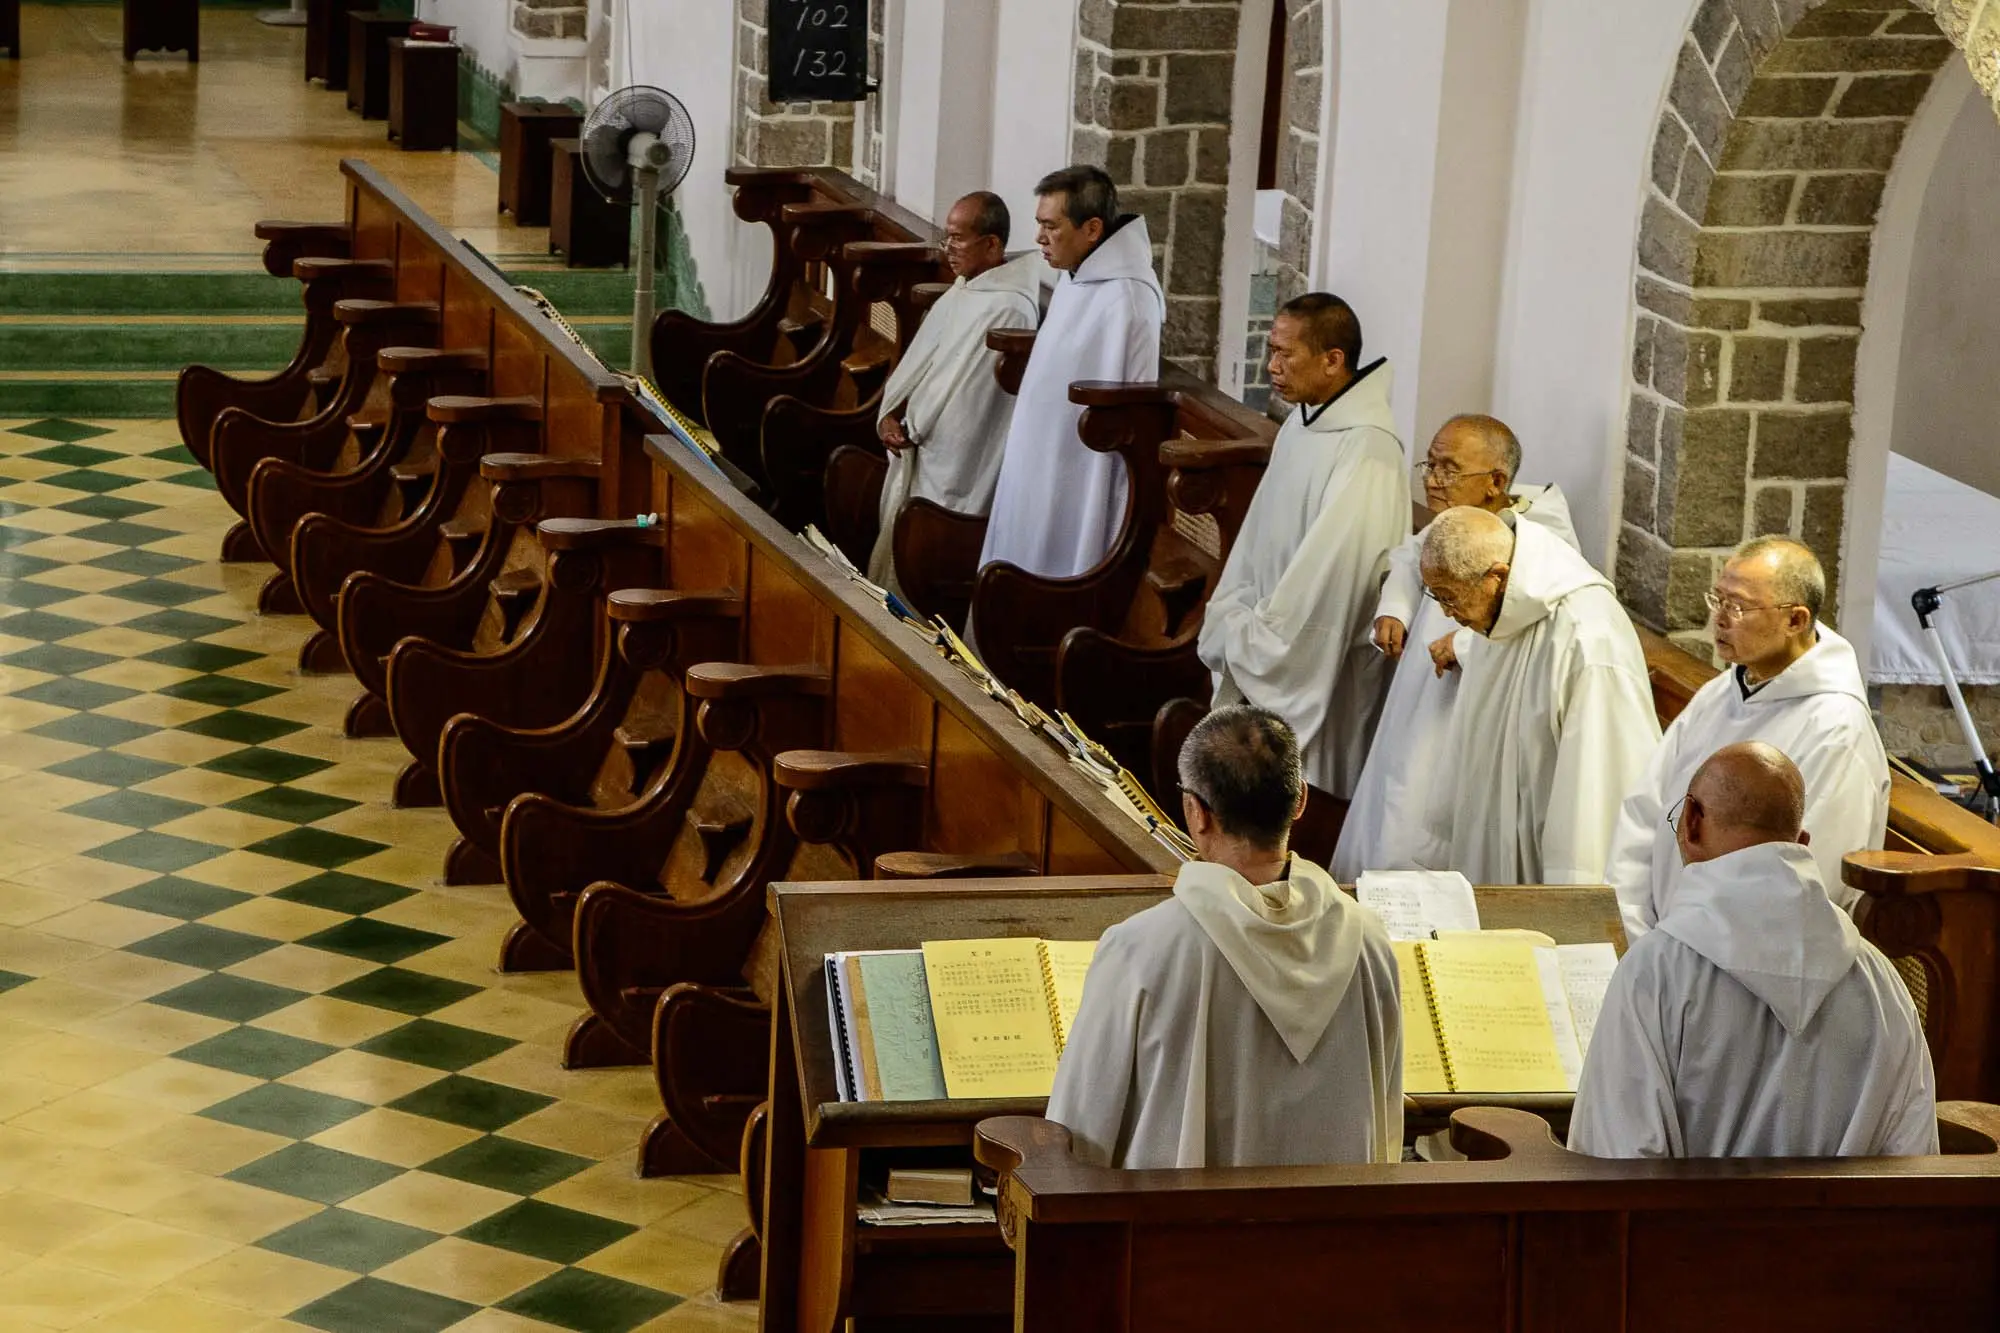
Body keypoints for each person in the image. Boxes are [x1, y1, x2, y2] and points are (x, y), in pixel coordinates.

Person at [1047, 706, 1403, 1169]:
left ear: (1196, 813)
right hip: (1334, 1237)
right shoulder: (1369, 943)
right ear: (1300, 800)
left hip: (1184, 1237)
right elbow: (1387, 1120)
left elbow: (1076, 1141)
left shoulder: (1141, 949)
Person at [1568, 742, 1936, 1159]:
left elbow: (1612, 1167)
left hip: (1689, 1227)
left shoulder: (1655, 972)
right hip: (1849, 1226)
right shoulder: (1880, 983)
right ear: (1801, 842)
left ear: (1690, 822)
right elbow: (1914, 1156)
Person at [1604, 537, 1888, 937]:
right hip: (1658, 949)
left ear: (1795, 620)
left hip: (1740, 969)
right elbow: (1645, 814)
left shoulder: (1836, 730)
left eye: (1738, 606)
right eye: (1717, 599)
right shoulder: (1720, 693)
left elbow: (1807, 879)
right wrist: (1635, 936)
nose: (1719, 618)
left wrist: (1689, 959)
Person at [1331, 415, 1576, 878]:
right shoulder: (1456, 522)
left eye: (1448, 469)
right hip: (1416, 692)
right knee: (1394, 788)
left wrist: (1466, 642)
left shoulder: (1538, 545)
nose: (1433, 480)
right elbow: (1411, 554)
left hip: (1464, 701)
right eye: (1429, 465)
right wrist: (1396, 608)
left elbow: (1536, 615)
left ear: (1496, 481)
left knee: (1423, 807)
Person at [1194, 294, 1408, 798]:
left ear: (1333, 360)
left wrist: (1255, 640)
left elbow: (1331, 578)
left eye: (1285, 354)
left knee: (1296, 802)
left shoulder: (1368, 448)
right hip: (1268, 627)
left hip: (1318, 668)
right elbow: (1257, 539)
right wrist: (1233, 612)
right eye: (1271, 350)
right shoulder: (1302, 421)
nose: (1272, 366)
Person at [1416, 507, 1659, 883]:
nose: (1449, 614)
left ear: (1497, 577)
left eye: (1450, 598)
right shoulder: (1500, 616)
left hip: (1540, 865)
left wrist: (1574, 903)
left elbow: (1597, 792)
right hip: (1493, 838)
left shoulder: (1588, 640)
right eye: (1438, 598)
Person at [976, 166, 1164, 580]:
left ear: (1092, 228)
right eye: (1039, 224)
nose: (1039, 238)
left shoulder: (1128, 299)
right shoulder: (1076, 276)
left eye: (1051, 226)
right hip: (1038, 459)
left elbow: (1130, 410)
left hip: (1078, 475)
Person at [867, 192, 1044, 596]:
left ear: (992, 244)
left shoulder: (1010, 309)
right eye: (946, 238)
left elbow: (971, 408)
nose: (948, 249)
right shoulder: (967, 288)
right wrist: (891, 415)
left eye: (958, 239)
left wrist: (914, 429)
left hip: (953, 472)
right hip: (919, 443)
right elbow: (922, 371)